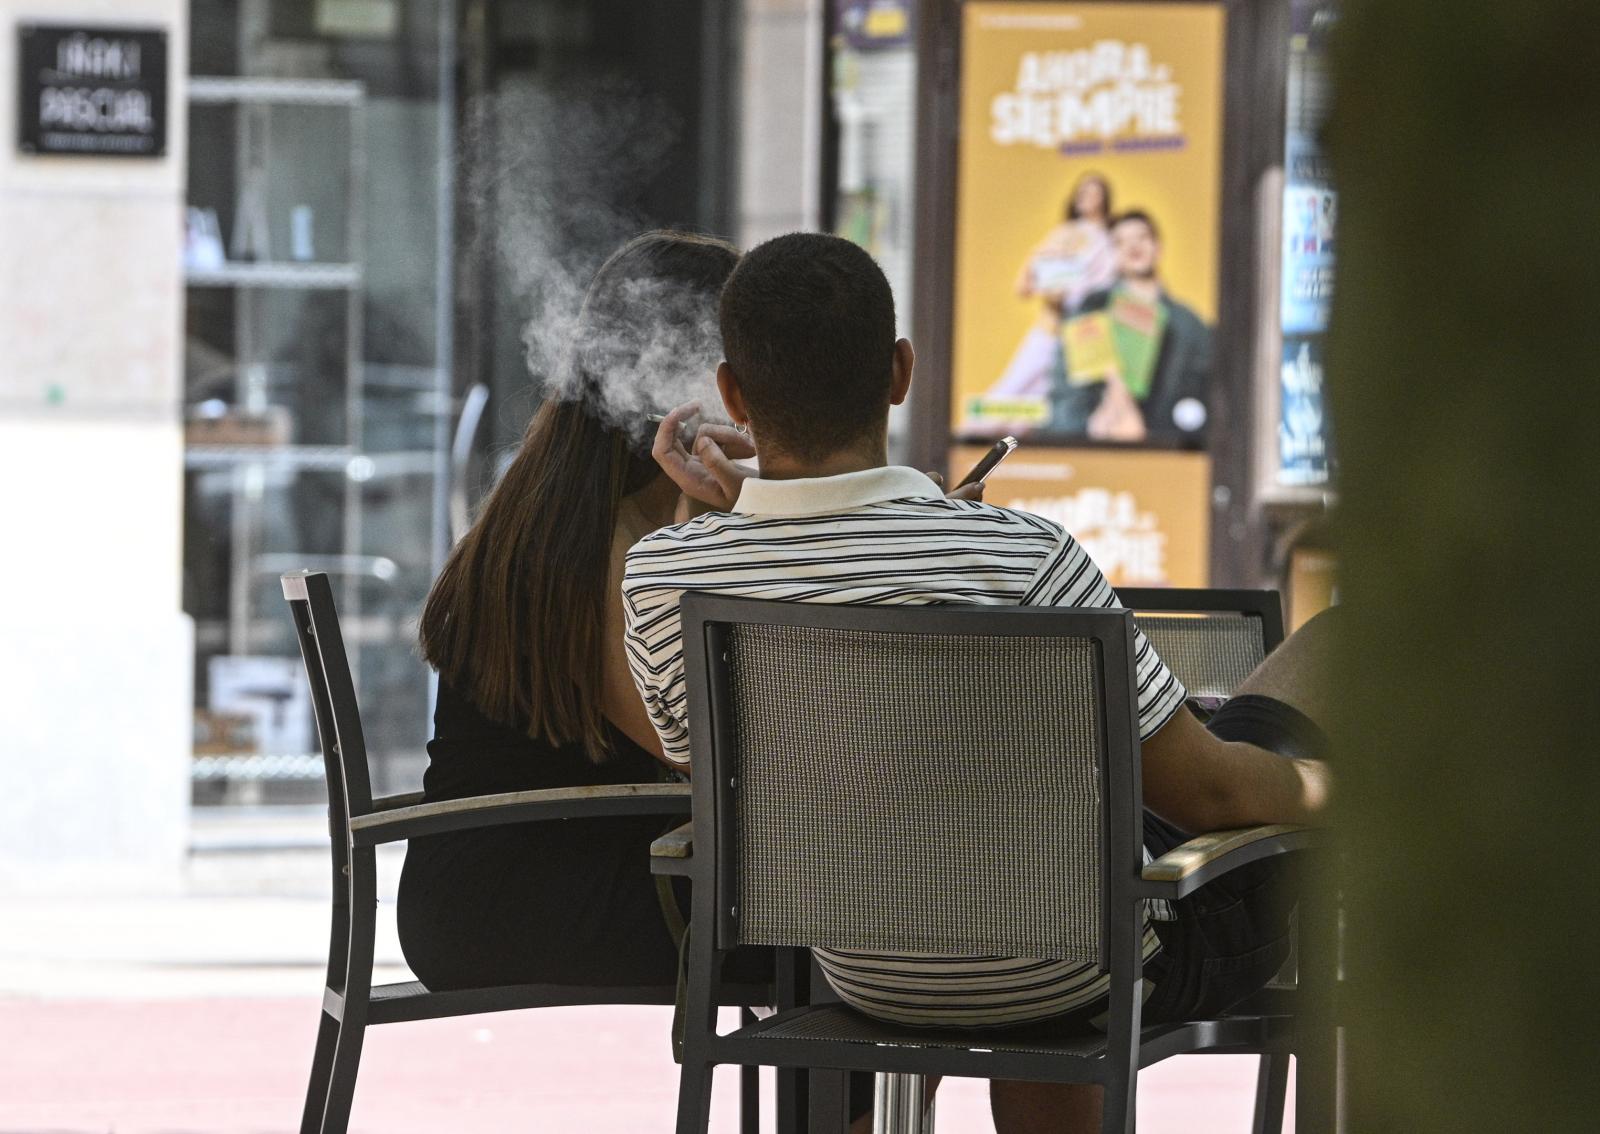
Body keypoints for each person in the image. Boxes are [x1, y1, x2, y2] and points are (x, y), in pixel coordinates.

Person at [623, 232, 1332, 1133]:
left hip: (865, 970)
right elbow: (1210, 793)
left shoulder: (665, 577)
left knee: (1045, 857)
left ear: (732, 392)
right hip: (1079, 971)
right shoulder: (1022, 557)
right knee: (1335, 650)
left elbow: (725, 769)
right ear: (899, 371)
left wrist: (730, 514)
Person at [396, 231, 759, 991]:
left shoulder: (563, 509)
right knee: (849, 932)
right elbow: (696, 747)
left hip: (537, 865)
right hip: (512, 896)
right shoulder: (604, 544)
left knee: (850, 921)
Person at [1051, 209, 1212, 443]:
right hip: (1096, 450)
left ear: (1158, 247)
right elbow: (1065, 395)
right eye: (1120, 242)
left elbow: (1208, 399)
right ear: (1112, 254)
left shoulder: (1189, 326)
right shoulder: (1090, 312)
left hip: (1167, 452)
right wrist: (1089, 426)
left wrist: (1152, 433)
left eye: (1142, 237)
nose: (1133, 246)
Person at [978, 173, 1119, 420]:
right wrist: (1052, 281)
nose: (1086, 198)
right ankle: (977, 437)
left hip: (1090, 333)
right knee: (1013, 390)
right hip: (1054, 328)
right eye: (1082, 193)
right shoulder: (1066, 233)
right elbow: (1024, 285)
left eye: (1093, 193)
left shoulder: (1115, 239)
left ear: (1104, 199)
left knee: (1076, 407)